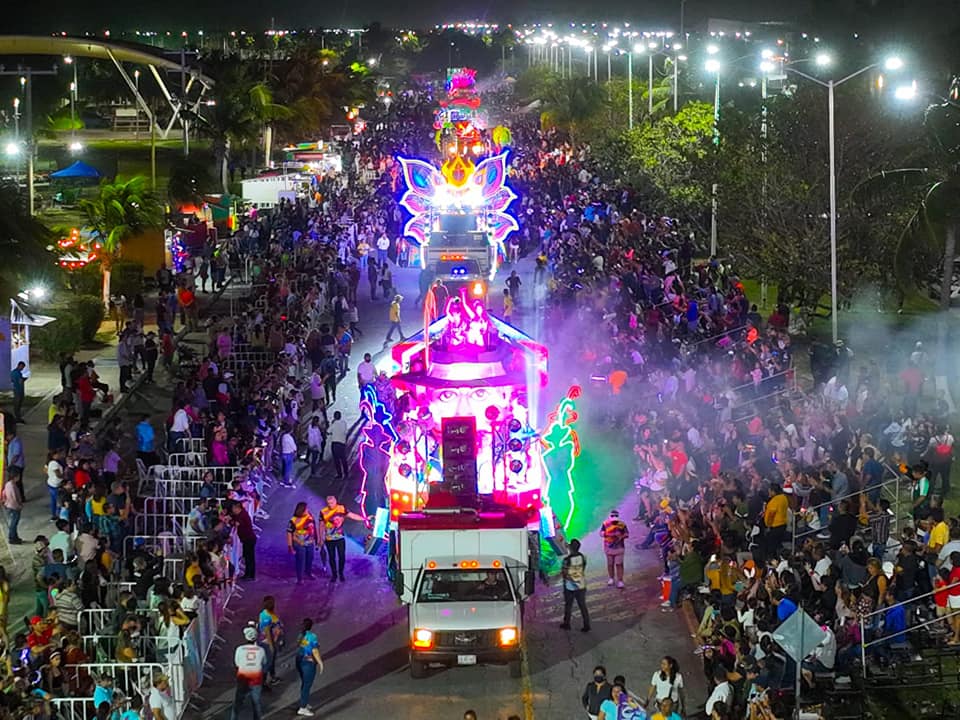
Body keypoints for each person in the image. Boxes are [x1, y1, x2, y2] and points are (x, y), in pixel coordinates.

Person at [321, 495, 367, 582]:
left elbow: (352, 515)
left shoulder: (341, 509)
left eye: (332, 503)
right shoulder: (323, 512)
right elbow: (321, 525)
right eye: (329, 503)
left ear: (335, 501)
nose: (331, 505)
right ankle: (334, 575)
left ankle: (341, 573)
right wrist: (320, 538)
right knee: (332, 557)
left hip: (340, 538)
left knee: (341, 556)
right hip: (329, 539)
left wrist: (364, 519)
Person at [230, 625, 266, 720]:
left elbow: (237, 663)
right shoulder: (261, 650)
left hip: (243, 678)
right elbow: (264, 662)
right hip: (256, 679)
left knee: (238, 702)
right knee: (256, 702)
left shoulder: (240, 649)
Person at [295, 617, 324, 717]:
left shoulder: (300, 635)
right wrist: (320, 663)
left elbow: (300, 646)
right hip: (308, 663)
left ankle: (304, 702)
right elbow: (315, 651)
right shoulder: (312, 636)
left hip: (299, 661)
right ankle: (302, 708)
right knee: (307, 685)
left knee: (304, 683)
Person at [560, 538, 590, 632]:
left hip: (570, 585)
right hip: (581, 584)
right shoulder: (583, 557)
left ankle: (567, 623)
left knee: (568, 605)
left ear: (571, 548)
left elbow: (564, 573)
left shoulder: (567, 560)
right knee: (582, 606)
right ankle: (586, 624)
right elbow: (583, 567)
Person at [288, 502, 322, 583]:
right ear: (301, 510)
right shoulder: (293, 520)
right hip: (299, 543)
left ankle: (308, 573)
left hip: (310, 543)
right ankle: (300, 578)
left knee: (309, 559)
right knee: (300, 561)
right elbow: (289, 533)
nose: (308, 510)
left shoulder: (310, 517)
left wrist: (317, 540)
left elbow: (314, 528)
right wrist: (290, 546)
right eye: (306, 509)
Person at [600, 509, 629, 589]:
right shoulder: (605, 524)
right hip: (608, 547)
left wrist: (621, 536)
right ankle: (611, 578)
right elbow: (601, 533)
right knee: (610, 564)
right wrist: (610, 534)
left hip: (619, 548)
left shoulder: (622, 525)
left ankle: (620, 580)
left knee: (619, 564)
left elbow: (627, 534)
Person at [231, 502, 257, 580]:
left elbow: (237, 524)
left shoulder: (242, 515)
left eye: (233, 508)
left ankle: (250, 575)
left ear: (237, 508)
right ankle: (249, 574)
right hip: (246, 539)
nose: (232, 510)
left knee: (249, 557)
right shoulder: (240, 515)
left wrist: (230, 522)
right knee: (248, 557)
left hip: (248, 539)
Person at [329, 411, 349, 480]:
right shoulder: (343, 423)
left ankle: (339, 474)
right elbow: (346, 432)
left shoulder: (333, 424)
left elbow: (328, 431)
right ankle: (346, 473)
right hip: (342, 443)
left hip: (335, 444)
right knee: (343, 459)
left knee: (336, 460)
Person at [6, 426, 24, 501]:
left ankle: (19, 497)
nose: (7, 437)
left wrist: (10, 464)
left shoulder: (16, 442)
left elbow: (16, 455)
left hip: (16, 465)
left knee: (17, 483)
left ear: (12, 435)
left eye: (8, 436)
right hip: (14, 465)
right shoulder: (12, 442)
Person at [2, 480, 22, 544]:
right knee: (14, 523)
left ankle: (14, 537)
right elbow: (15, 498)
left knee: (13, 523)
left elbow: (4, 493)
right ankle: (13, 538)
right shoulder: (12, 486)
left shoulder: (7, 484)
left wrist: (5, 501)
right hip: (14, 507)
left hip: (9, 505)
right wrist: (19, 506)